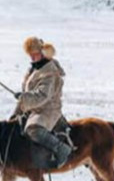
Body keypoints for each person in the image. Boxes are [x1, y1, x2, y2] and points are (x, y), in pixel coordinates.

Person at [12, 37, 72, 167]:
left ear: (43, 53)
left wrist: (24, 97)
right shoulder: (33, 70)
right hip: (34, 108)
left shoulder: (50, 72)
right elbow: (26, 94)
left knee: (33, 129)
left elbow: (42, 95)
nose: (32, 58)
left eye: (35, 54)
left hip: (48, 110)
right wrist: (16, 112)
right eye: (30, 55)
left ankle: (61, 149)